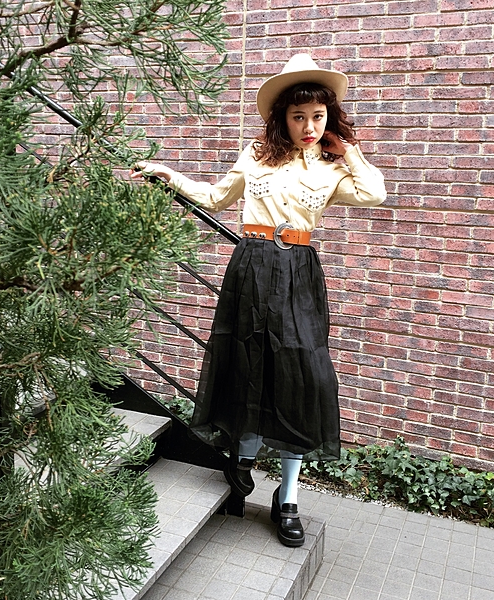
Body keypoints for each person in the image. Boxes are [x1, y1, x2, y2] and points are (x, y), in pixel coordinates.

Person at [131, 54, 386, 547]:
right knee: (249, 364)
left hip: (298, 272)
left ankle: (287, 498)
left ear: (329, 117)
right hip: (251, 265)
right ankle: (242, 460)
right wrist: (169, 175)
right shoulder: (255, 154)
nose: (308, 127)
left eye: (318, 116)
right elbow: (215, 197)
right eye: (298, 116)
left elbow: (374, 193)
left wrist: (349, 150)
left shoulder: (334, 167)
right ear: (281, 118)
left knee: (304, 377)